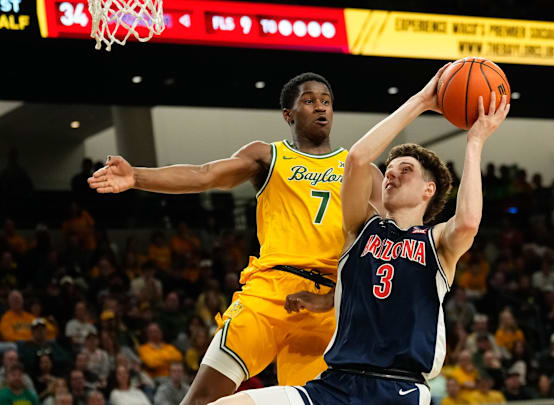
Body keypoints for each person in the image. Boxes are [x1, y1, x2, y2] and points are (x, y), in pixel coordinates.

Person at [207, 65, 509, 404]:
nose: (391, 176)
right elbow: (358, 159)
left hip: (398, 388)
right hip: (335, 384)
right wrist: (421, 100)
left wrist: (476, 141)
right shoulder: (361, 228)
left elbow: (468, 221)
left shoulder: (437, 243)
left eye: (404, 170)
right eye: (390, 171)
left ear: (429, 189)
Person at [89, 72, 384, 405]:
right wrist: (137, 176)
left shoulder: (361, 168)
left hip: (332, 302)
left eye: (326, 101)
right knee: (201, 398)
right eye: (309, 100)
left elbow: (388, 247)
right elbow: (205, 175)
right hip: (270, 291)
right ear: (288, 114)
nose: (320, 108)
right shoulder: (267, 156)